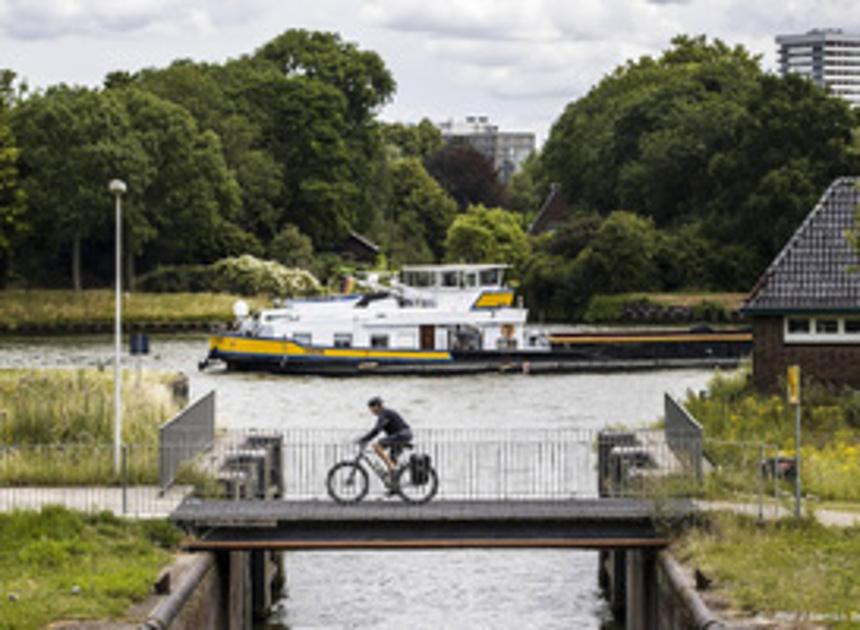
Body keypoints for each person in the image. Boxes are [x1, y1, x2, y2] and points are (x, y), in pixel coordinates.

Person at [358, 396, 413, 474]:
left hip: (402, 435)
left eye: (371, 408)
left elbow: (377, 430)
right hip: (403, 435)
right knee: (392, 459)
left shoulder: (384, 414)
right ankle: (394, 481)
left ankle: (391, 466)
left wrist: (364, 439)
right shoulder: (385, 413)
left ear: (376, 407)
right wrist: (365, 438)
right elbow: (377, 430)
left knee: (377, 446)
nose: (371, 411)